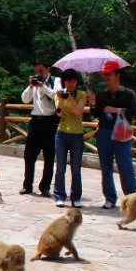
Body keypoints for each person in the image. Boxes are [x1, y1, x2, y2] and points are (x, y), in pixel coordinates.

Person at [89, 60, 136, 209]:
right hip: (104, 132)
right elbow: (97, 114)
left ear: (117, 75)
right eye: (104, 74)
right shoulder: (101, 95)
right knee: (106, 168)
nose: (106, 77)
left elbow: (135, 112)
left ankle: (132, 199)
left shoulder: (128, 94)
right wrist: (92, 104)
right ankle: (110, 198)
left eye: (109, 74)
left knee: (126, 167)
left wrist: (116, 110)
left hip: (121, 134)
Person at [20, 59, 62, 196]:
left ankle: (45, 186)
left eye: (41, 71)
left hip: (50, 121)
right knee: (29, 155)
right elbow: (25, 99)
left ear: (48, 69)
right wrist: (31, 86)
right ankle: (27, 185)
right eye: (36, 72)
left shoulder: (55, 80)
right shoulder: (34, 84)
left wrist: (42, 86)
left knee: (49, 156)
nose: (38, 74)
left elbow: (57, 95)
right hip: (35, 121)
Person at [52, 69, 87, 208]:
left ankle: (76, 197)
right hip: (61, 133)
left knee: (76, 168)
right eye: (68, 81)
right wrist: (61, 99)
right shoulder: (58, 95)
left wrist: (70, 98)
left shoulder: (81, 95)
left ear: (77, 82)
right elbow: (59, 113)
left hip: (77, 135)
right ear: (64, 82)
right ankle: (59, 196)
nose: (71, 84)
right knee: (60, 167)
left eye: (73, 81)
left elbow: (78, 111)